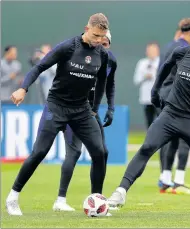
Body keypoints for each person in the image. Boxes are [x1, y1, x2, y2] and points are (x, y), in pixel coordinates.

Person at [107, 20, 190, 216]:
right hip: (170, 115)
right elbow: (164, 68)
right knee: (146, 148)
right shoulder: (181, 53)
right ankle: (120, 192)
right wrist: (155, 92)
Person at [5, 13, 110, 216]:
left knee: (100, 152)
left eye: (102, 37)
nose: (99, 41)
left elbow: (102, 83)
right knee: (40, 152)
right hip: (56, 107)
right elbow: (39, 67)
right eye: (96, 36)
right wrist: (23, 89)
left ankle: (97, 201)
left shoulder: (102, 54)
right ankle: (13, 197)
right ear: (87, 29)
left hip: (81, 110)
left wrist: (95, 107)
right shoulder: (68, 47)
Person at [52, 30, 117, 212]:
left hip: (91, 112)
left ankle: (97, 199)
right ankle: (60, 199)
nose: (100, 46)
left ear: (109, 44)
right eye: (98, 41)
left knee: (102, 152)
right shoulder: (80, 54)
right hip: (75, 108)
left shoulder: (109, 60)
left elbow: (110, 84)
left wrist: (111, 108)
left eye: (105, 44)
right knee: (74, 152)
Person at [157, 18, 190, 195]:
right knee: (186, 138)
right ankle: (179, 181)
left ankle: (165, 178)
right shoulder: (186, 49)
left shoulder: (169, 46)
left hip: (164, 94)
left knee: (171, 138)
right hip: (179, 97)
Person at [133, 42, 160, 128]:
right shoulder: (142, 63)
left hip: (159, 98)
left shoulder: (162, 62)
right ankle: (151, 141)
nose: (151, 52)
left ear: (157, 51)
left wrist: (154, 75)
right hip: (146, 98)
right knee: (149, 122)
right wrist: (145, 76)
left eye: (153, 50)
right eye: (150, 50)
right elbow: (136, 80)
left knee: (161, 122)